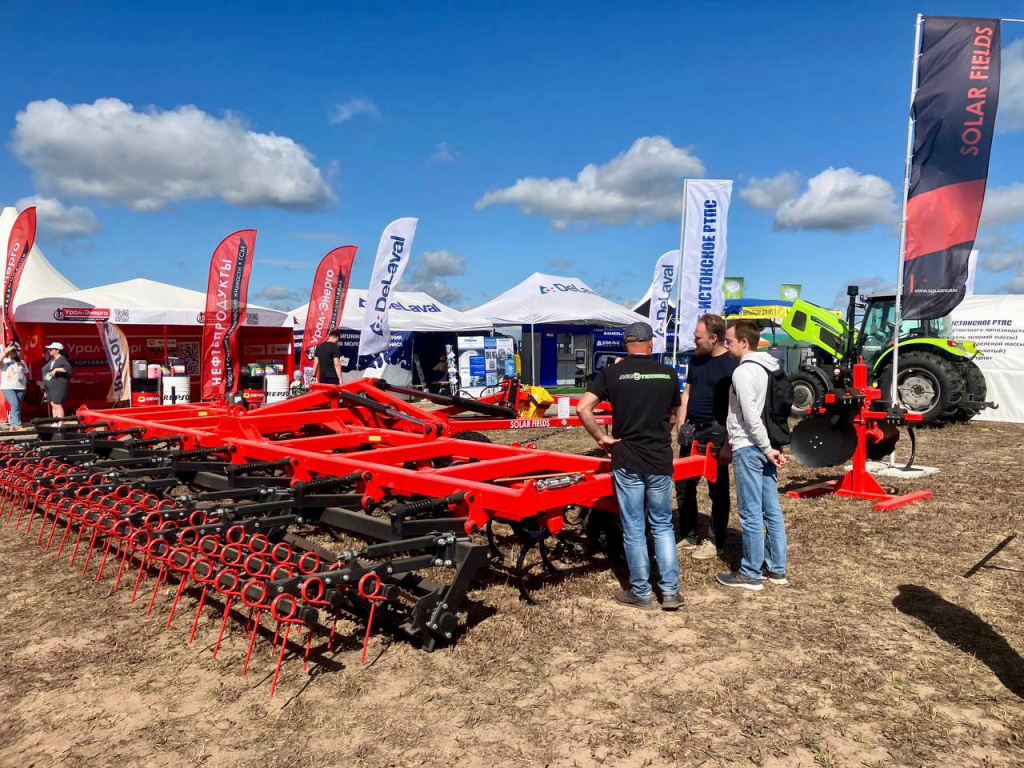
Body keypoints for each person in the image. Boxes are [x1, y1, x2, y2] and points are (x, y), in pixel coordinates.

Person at [577, 321, 684, 612]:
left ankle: (640, 592)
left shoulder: (612, 373)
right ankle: (671, 593)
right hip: (659, 458)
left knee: (634, 527)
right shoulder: (668, 373)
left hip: (627, 458)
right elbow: (673, 417)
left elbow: (582, 407)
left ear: (626, 345)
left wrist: (601, 437)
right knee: (662, 525)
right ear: (651, 344)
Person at [717, 320, 788, 591]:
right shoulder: (770, 367)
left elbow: (749, 415)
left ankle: (750, 573)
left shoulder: (743, 372)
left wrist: (764, 447)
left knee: (750, 513)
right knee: (771, 510)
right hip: (767, 445)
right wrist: (770, 447)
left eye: (729, 341)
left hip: (751, 446)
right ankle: (777, 568)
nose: (726, 345)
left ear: (744, 343)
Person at [676, 314, 737, 561]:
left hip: (717, 431)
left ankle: (715, 541)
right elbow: (687, 392)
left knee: (717, 489)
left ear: (714, 338)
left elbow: (736, 409)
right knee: (683, 485)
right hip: (692, 429)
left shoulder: (732, 365)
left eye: (698, 337)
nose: (694, 340)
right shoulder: (696, 360)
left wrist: (728, 444)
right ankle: (688, 535)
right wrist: (681, 422)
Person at [41, 341, 73, 420]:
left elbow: (68, 369)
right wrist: (45, 385)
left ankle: (60, 423)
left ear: (57, 350)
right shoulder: (52, 360)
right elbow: (48, 373)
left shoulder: (61, 359)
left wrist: (56, 369)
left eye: (51, 349)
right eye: (49, 349)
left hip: (58, 385)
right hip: (50, 386)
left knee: (57, 404)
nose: (49, 351)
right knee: (53, 404)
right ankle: (55, 422)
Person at [1, 342, 28, 428]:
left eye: (16, 350)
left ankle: (13, 425)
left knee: (17, 406)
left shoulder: (21, 361)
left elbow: (25, 372)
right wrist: (5, 352)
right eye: (13, 350)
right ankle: (17, 425)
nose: (15, 352)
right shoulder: (4, 361)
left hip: (20, 387)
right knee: (15, 404)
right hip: (8, 387)